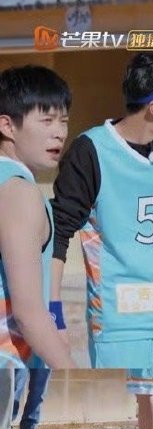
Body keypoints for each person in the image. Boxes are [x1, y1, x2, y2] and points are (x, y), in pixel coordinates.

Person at [50, 52, 153, 369]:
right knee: (126, 403)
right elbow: (58, 237)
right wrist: (54, 315)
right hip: (120, 327)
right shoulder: (90, 152)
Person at [0, 66, 76, 368]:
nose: (59, 132)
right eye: (47, 120)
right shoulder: (19, 192)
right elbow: (29, 314)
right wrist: (72, 375)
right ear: (7, 126)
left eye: (64, 121)